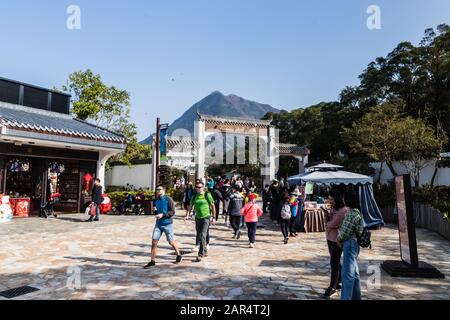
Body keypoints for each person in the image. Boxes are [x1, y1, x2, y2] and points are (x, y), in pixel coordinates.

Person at [144, 185, 182, 268]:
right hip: (158, 224)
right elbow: (157, 211)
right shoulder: (156, 201)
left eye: (159, 189)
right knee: (154, 242)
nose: (157, 191)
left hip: (168, 224)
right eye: (156, 190)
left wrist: (163, 214)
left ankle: (178, 254)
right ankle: (152, 261)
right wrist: (156, 212)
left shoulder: (168, 199)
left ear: (163, 190)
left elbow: (172, 212)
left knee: (171, 242)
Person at [338, 190, 363, 300]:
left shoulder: (350, 214)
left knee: (347, 275)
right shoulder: (357, 213)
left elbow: (344, 232)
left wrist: (338, 239)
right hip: (355, 244)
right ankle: (356, 297)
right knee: (354, 274)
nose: (343, 199)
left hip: (349, 244)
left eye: (344, 198)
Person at [323, 190, 349, 297]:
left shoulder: (343, 211)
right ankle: (339, 281)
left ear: (337, 198)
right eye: (329, 198)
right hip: (330, 237)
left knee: (334, 263)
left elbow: (333, 223)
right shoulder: (334, 208)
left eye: (332, 199)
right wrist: (326, 215)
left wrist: (328, 222)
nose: (330, 201)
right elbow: (328, 223)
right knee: (335, 261)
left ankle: (332, 287)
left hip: (337, 239)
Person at [189, 182, 215, 262]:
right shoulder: (194, 196)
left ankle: (200, 254)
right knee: (199, 234)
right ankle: (205, 251)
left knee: (202, 235)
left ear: (203, 187)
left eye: (200, 187)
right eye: (196, 187)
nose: (198, 188)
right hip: (198, 218)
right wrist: (188, 213)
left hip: (206, 217)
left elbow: (213, 206)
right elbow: (191, 205)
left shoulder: (207, 195)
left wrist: (213, 217)